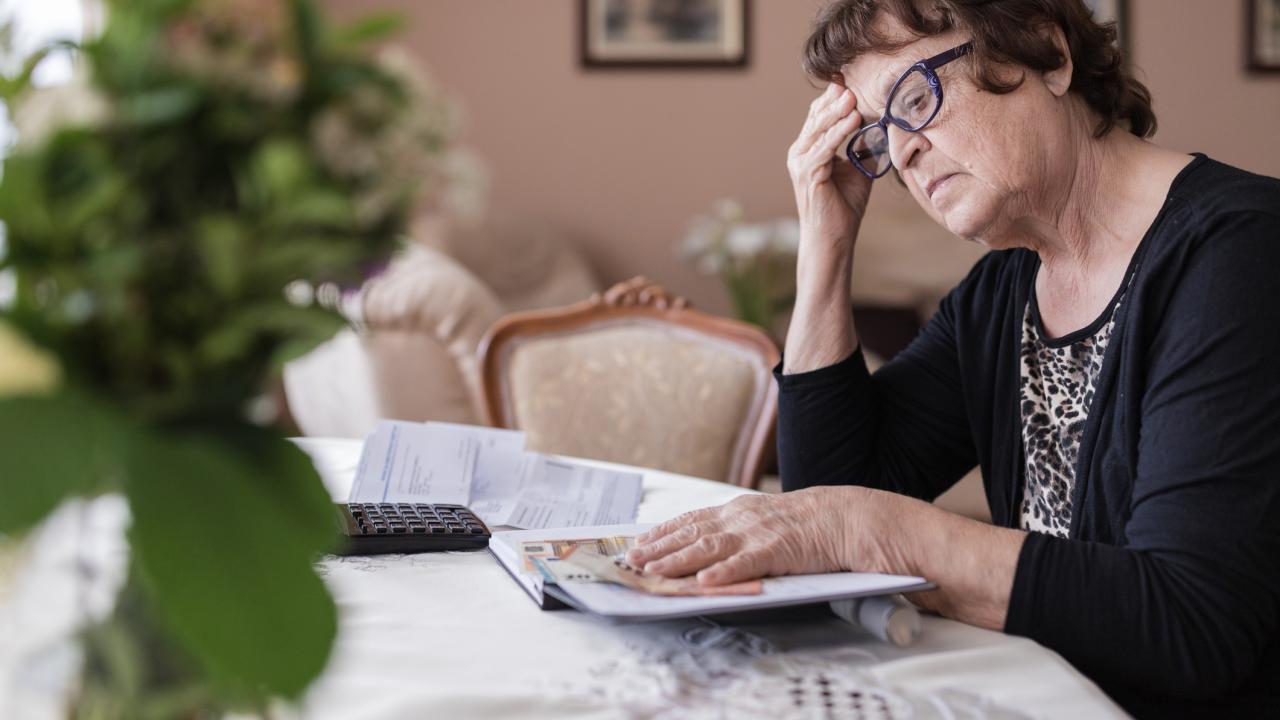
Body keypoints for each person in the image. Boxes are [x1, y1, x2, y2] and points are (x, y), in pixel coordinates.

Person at [624, 0, 1280, 715]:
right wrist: (826, 235)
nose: (899, 152)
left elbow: (1193, 623)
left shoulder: (1241, 254)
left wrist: (874, 530)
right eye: (876, 137)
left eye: (914, 99)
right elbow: (835, 497)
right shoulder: (1005, 287)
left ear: (1048, 56)